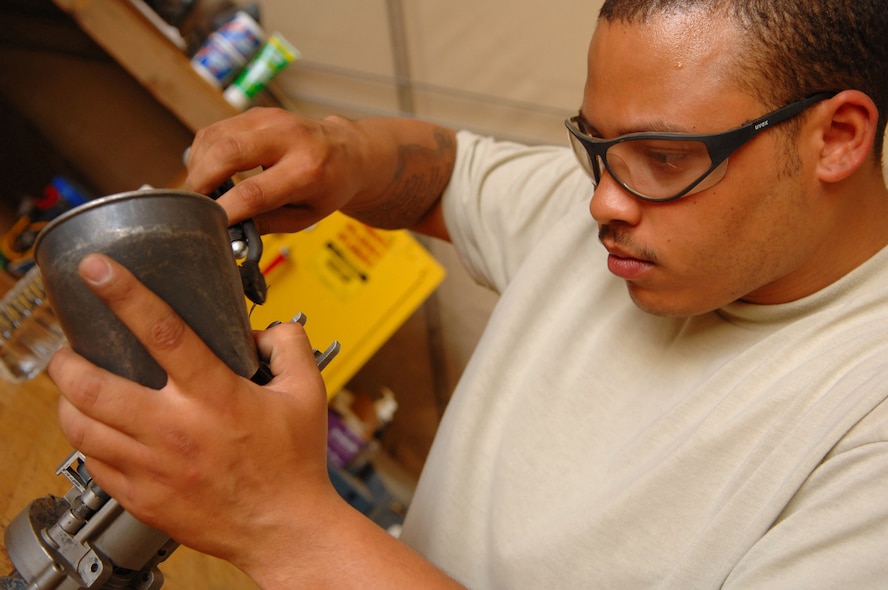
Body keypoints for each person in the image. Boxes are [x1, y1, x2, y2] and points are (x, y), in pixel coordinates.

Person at [47, 0, 888, 587]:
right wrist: (345, 152)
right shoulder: (626, 208)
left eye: (662, 156)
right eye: (594, 145)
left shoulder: (866, 429)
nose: (601, 200)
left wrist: (279, 520)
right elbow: (450, 175)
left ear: (838, 138)